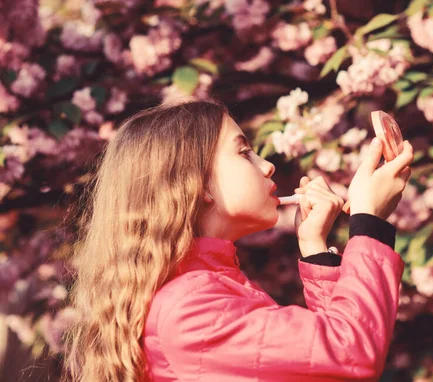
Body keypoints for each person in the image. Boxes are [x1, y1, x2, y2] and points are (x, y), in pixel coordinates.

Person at [62, 98, 414, 381]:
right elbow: (352, 356)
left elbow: (328, 369)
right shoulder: (192, 309)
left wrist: (315, 249)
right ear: (196, 185)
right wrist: (369, 221)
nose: (267, 166)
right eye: (244, 152)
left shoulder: (208, 290)